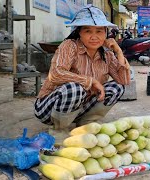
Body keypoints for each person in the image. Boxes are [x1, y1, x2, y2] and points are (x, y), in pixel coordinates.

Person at [34, 5, 130, 143]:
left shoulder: (107, 54)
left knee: (117, 87)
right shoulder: (69, 46)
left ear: (106, 33)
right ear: (79, 32)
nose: (94, 36)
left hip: (80, 108)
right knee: (74, 88)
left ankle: (86, 124)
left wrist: (118, 52)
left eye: (99, 31)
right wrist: (91, 81)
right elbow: (55, 74)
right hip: (48, 109)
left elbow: (123, 80)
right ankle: (59, 129)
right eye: (88, 31)